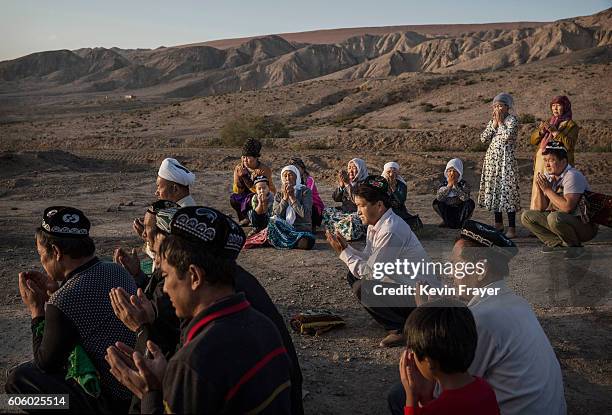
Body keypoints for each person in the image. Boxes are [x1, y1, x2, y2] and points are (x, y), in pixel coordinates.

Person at [105, 206, 293, 414]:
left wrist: (151, 394)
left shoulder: (193, 362)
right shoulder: (264, 326)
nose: (165, 288)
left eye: (166, 276)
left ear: (194, 276)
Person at [388, 220, 567, 415]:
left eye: (456, 265)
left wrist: (425, 315)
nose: (451, 274)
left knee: (398, 395)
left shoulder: (480, 319)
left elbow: (442, 387)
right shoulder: (517, 303)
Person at [5, 207, 137, 413]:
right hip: (137, 389)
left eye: (41, 254)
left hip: (111, 402)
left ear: (56, 252)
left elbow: (45, 364)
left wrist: (37, 310)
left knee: (18, 380)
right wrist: (58, 292)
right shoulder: (115, 270)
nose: (41, 261)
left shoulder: (65, 301)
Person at [326, 176, 436, 347]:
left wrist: (344, 253)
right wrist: (347, 249)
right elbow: (370, 259)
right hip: (404, 286)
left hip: (422, 297)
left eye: (362, 205)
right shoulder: (376, 225)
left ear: (379, 205)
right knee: (353, 275)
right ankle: (397, 319)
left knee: (363, 286)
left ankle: (400, 328)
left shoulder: (390, 230)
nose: (358, 212)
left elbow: (371, 272)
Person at [396, 299, 500, 415]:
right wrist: (426, 399)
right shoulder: (484, 388)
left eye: (414, 353)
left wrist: (412, 396)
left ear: (429, 362)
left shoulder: (437, 409)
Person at [521, 141, 598, 260]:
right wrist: (539, 187)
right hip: (566, 220)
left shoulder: (572, 176)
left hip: (585, 226)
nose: (547, 165)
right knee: (527, 216)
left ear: (563, 161)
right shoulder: (551, 176)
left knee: (554, 218)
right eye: (545, 160)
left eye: (551, 160)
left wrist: (547, 190)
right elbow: (539, 209)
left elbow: (568, 207)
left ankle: (575, 247)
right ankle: (558, 244)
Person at [477, 93, 521, 239]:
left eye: (500, 105)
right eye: (495, 106)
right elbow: (483, 139)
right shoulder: (493, 122)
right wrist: (494, 125)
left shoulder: (512, 120)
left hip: (506, 161)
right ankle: (498, 223)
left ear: (507, 107)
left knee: (507, 192)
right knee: (495, 189)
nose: (497, 109)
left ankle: (512, 228)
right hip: (492, 161)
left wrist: (500, 123)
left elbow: (508, 136)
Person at [246, 165, 316, 250]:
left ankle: (282, 241)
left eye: (290, 175)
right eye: (285, 175)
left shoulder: (305, 191)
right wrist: (285, 198)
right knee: (273, 221)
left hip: (300, 229)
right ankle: (286, 241)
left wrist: (292, 197)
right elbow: (276, 214)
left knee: (306, 243)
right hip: (283, 229)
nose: (287, 178)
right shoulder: (279, 194)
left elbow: (305, 214)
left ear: (296, 176)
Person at [529, 96, 579, 210]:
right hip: (541, 162)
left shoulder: (571, 125)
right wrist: (542, 131)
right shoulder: (549, 121)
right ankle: (537, 212)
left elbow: (569, 145)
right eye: (553, 105)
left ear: (565, 107)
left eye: (558, 105)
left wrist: (555, 132)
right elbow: (533, 140)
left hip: (557, 163)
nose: (555, 108)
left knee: (554, 188)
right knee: (539, 187)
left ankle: (552, 213)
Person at [230, 138, 276, 226]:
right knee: (234, 198)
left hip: (262, 195)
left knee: (254, 199)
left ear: (256, 158)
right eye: (243, 157)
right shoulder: (238, 168)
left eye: (248, 157)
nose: (245, 160)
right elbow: (237, 191)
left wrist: (246, 178)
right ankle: (244, 218)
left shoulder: (263, 170)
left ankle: (254, 219)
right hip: (245, 195)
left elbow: (264, 190)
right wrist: (240, 178)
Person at [323, 158, 369, 241]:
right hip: (345, 212)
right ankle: (340, 231)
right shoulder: (348, 181)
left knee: (352, 221)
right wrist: (341, 186)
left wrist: (347, 184)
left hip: (357, 213)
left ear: (360, 169)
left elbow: (356, 200)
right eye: (349, 168)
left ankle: (344, 232)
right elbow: (336, 198)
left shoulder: (366, 183)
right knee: (326, 211)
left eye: (354, 168)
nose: (350, 171)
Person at [433, 158, 475, 229]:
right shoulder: (443, 183)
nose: (452, 173)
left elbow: (465, 198)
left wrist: (455, 186)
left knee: (470, 203)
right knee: (436, 203)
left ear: (460, 172)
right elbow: (439, 197)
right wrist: (449, 186)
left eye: (455, 171)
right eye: (449, 171)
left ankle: (462, 222)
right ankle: (446, 221)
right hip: (447, 208)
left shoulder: (463, 184)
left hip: (460, 208)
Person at [290, 157, 325, 231]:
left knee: (307, 205)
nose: (296, 171)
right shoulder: (293, 180)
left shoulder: (309, 179)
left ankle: (311, 224)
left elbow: (308, 194)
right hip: (299, 205)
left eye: (297, 168)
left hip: (314, 208)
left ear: (302, 168)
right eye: (293, 169)